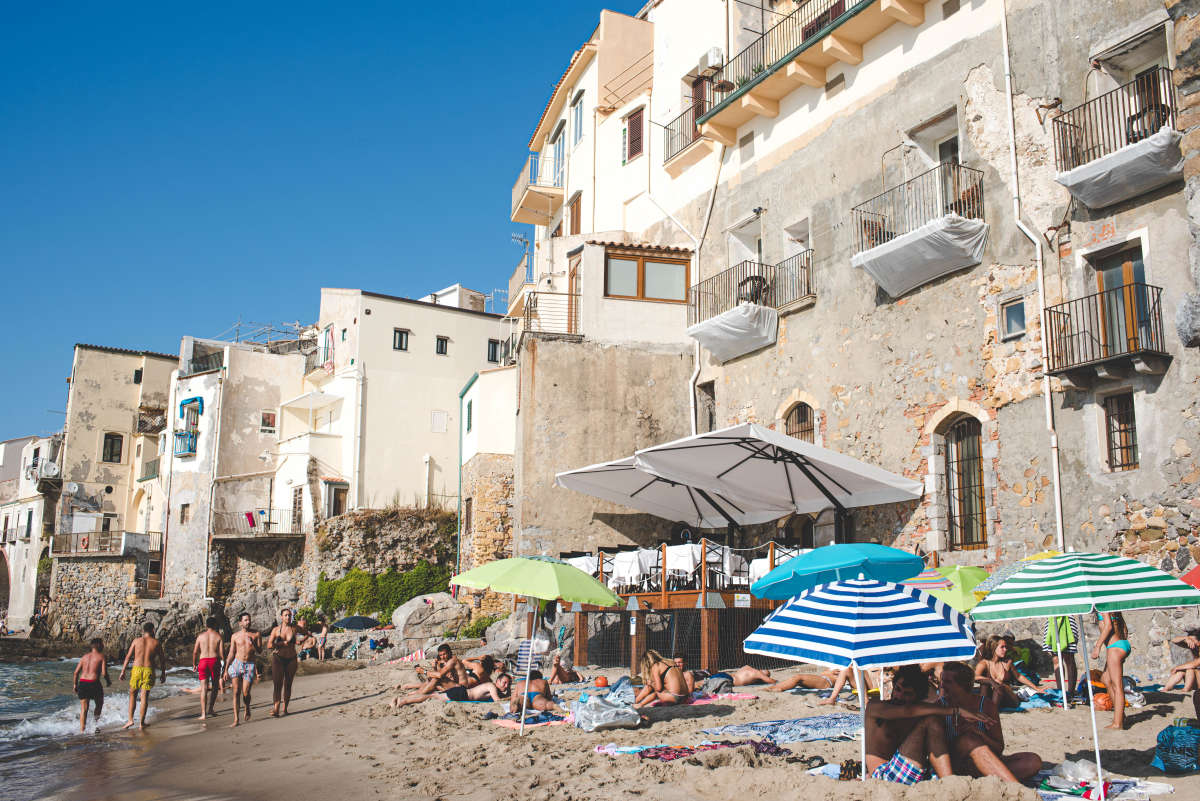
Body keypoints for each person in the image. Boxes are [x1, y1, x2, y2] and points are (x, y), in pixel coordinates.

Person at [865, 665, 990, 784]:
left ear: (917, 697)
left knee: (934, 720)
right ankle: (950, 782)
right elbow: (907, 711)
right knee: (931, 721)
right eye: (897, 689)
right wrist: (957, 711)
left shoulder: (917, 712)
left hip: (912, 772)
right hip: (884, 776)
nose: (899, 696)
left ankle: (949, 779)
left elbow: (925, 706)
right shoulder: (875, 707)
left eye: (907, 693)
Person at [939, 662, 1041, 781]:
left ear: (962, 685)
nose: (942, 685)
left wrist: (978, 733)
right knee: (968, 740)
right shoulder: (940, 707)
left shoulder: (986, 705)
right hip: (957, 763)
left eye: (947, 682)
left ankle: (987, 774)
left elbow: (998, 748)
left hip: (984, 759)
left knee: (1033, 761)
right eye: (942, 680)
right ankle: (1011, 784)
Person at [119, 622, 167, 730]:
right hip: (149, 670)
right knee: (144, 696)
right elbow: (162, 660)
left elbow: (127, 657)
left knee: (132, 694)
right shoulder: (156, 643)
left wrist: (123, 671)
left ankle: (130, 720)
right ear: (153, 631)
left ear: (143, 631)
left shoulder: (136, 641)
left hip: (136, 669)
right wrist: (163, 673)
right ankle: (141, 723)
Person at [974, 635, 1038, 710]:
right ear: (994, 647)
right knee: (985, 684)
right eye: (1002, 647)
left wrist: (1036, 688)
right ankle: (983, 708)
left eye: (1006, 647)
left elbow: (1018, 676)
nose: (1005, 649)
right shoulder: (984, 663)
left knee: (1000, 685)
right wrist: (990, 681)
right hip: (992, 696)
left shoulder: (1007, 662)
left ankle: (993, 711)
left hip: (1008, 699)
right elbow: (975, 677)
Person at [391, 672, 513, 711]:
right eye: (504, 683)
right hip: (462, 694)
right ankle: (402, 701)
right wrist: (510, 698)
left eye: (508, 684)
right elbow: (497, 701)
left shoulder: (492, 686)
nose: (506, 686)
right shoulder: (491, 686)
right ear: (497, 681)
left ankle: (402, 700)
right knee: (431, 697)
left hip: (461, 692)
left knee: (433, 695)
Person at [1092, 611, 1130, 730]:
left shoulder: (1103, 608)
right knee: (1105, 679)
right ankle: (1120, 715)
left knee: (1117, 686)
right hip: (1121, 644)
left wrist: (1097, 646)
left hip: (1115, 648)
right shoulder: (1113, 608)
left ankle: (1118, 723)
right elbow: (1124, 629)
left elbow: (1108, 626)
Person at [267, 608, 307, 717]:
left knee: (288, 684)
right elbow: (269, 645)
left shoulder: (295, 628)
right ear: (281, 617)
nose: (288, 617)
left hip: (291, 659)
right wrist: (281, 644)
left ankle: (285, 709)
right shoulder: (276, 630)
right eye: (286, 615)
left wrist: (301, 641)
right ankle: (276, 709)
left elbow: (307, 633)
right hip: (278, 658)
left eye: (289, 615)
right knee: (277, 684)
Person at [224, 612, 261, 728]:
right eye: (245, 620)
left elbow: (259, 651)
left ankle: (247, 707)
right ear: (240, 623)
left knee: (246, 693)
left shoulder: (256, 634)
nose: (248, 622)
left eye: (249, 620)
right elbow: (231, 652)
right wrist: (225, 669)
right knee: (236, 692)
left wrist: (253, 643)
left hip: (249, 665)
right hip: (236, 664)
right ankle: (236, 719)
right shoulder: (235, 636)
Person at [73, 638, 111, 732]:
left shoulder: (84, 657)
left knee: (84, 708)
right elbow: (104, 673)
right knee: (99, 704)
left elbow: (76, 672)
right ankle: (95, 725)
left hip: (82, 682)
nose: (103, 646)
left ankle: (82, 730)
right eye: (102, 644)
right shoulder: (102, 656)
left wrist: (75, 685)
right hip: (94, 683)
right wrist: (108, 681)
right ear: (98, 645)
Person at [192, 616, 225, 720]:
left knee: (204, 688)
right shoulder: (218, 636)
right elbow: (222, 654)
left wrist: (194, 664)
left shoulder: (200, 636)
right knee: (215, 686)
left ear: (206, 625)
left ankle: (203, 714)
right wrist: (225, 664)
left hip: (203, 662)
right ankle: (210, 709)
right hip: (214, 661)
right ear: (215, 625)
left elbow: (195, 652)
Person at [1043, 617, 1079, 701]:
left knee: (1069, 658)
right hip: (1051, 619)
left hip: (1067, 619)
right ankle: (1061, 692)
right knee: (1056, 659)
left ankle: (1071, 692)